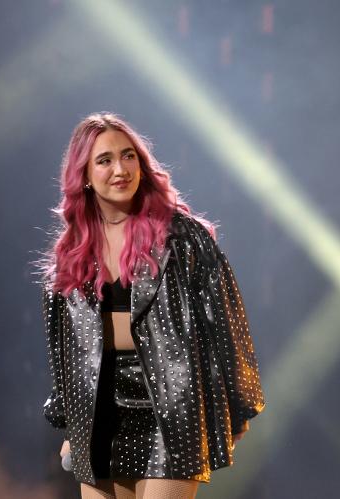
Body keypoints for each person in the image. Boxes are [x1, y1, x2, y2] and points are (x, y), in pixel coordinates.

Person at [41, 113, 265, 499]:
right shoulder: (72, 255)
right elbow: (67, 353)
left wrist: (237, 404)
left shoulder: (181, 237)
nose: (120, 169)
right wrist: (71, 428)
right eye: (105, 160)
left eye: (128, 156)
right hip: (100, 418)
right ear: (84, 176)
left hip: (171, 412)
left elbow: (227, 323)